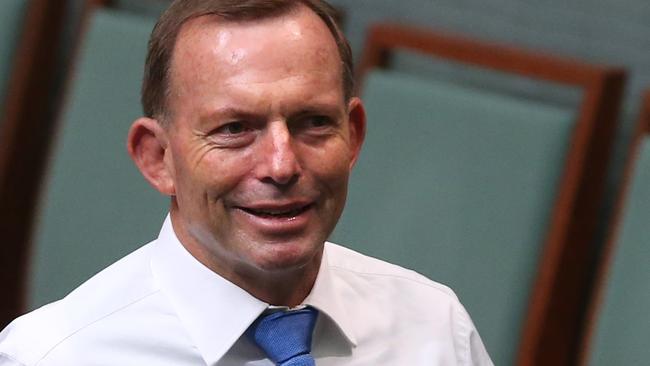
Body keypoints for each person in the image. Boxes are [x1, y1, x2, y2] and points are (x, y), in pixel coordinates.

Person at [0, 0, 493, 365]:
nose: (281, 165)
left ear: (354, 135)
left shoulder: (432, 328)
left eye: (313, 122)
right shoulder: (56, 355)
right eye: (234, 129)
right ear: (158, 157)